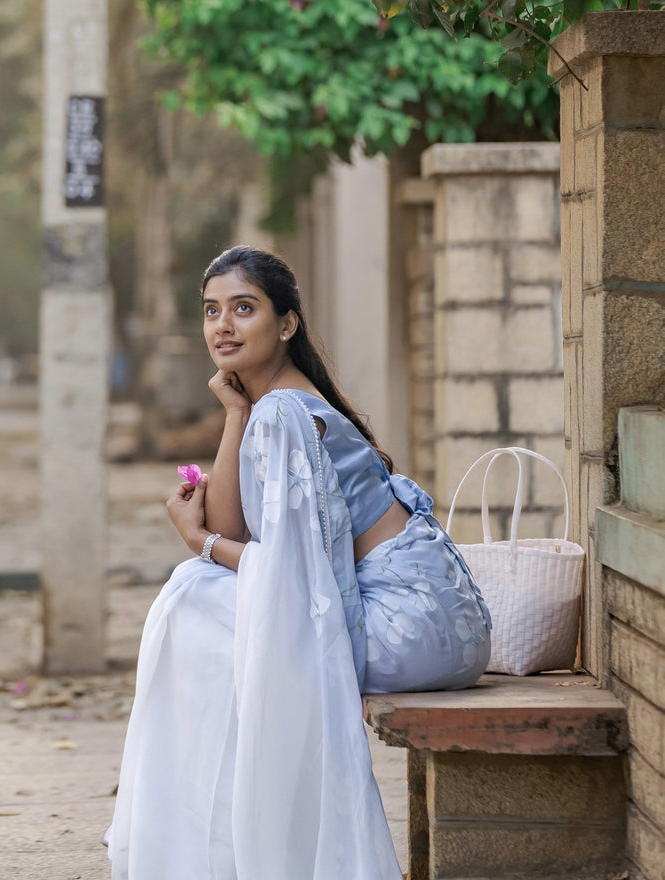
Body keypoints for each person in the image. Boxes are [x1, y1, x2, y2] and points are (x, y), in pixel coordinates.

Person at [107, 245, 491, 880]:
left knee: (191, 600)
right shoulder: (269, 406)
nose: (222, 326)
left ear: (286, 324)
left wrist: (197, 542)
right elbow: (239, 529)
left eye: (243, 308)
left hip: (410, 628)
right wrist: (234, 413)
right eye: (211, 311)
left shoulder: (285, 410)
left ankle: (227, 849)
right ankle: (232, 839)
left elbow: (286, 575)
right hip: (436, 624)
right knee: (201, 598)